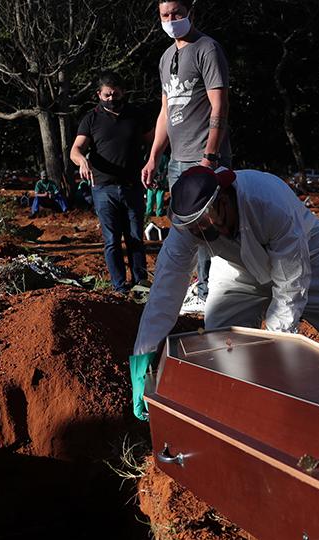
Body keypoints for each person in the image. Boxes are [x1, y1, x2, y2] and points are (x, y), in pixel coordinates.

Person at [129, 166, 319, 419]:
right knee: (220, 335)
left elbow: (289, 290)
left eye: (208, 223)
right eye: (196, 229)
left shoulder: (268, 204)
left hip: (306, 258)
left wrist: (276, 353)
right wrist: (143, 354)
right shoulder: (188, 229)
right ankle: (238, 411)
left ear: (222, 201)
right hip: (237, 269)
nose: (205, 232)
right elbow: (165, 291)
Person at [141, 0, 233, 313]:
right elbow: (165, 111)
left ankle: (210, 291)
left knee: (210, 226)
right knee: (182, 227)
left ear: (190, 10)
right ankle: (194, 287)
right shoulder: (166, 57)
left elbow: (219, 104)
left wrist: (211, 154)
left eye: (176, 14)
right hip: (177, 159)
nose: (171, 20)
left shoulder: (207, 49)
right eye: (165, 15)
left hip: (203, 157)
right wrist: (155, 155)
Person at [70, 72, 153, 294]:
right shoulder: (91, 119)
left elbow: (154, 142)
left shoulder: (137, 115)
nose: (111, 98)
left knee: (135, 238)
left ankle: (140, 288)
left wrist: (152, 162)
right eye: (106, 94)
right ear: (99, 94)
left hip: (133, 186)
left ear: (123, 92)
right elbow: (75, 150)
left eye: (115, 94)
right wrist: (82, 161)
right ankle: (119, 287)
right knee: (112, 241)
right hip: (103, 188)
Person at [146, 149, 170, 217]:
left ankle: (148, 212)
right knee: (159, 198)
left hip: (152, 180)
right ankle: (159, 213)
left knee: (150, 198)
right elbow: (166, 169)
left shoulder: (150, 156)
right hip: (161, 181)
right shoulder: (165, 157)